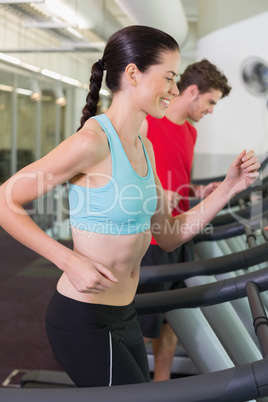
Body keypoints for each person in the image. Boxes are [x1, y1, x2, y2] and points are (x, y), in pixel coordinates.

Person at [0, 25, 260, 388]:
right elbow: (5, 199)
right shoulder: (91, 141)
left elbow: (168, 236)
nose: (174, 89)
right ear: (134, 74)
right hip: (84, 318)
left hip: (125, 313)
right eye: (169, 78)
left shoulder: (144, 143)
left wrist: (229, 188)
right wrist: (68, 260)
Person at [137, 59, 232, 382]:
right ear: (192, 91)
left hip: (179, 237)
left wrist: (199, 190)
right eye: (210, 102)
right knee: (142, 329)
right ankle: (130, 389)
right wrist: (158, 192)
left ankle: (161, 386)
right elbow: (129, 177)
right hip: (151, 239)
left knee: (172, 322)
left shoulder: (190, 132)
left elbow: (178, 181)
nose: (211, 110)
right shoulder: (148, 122)